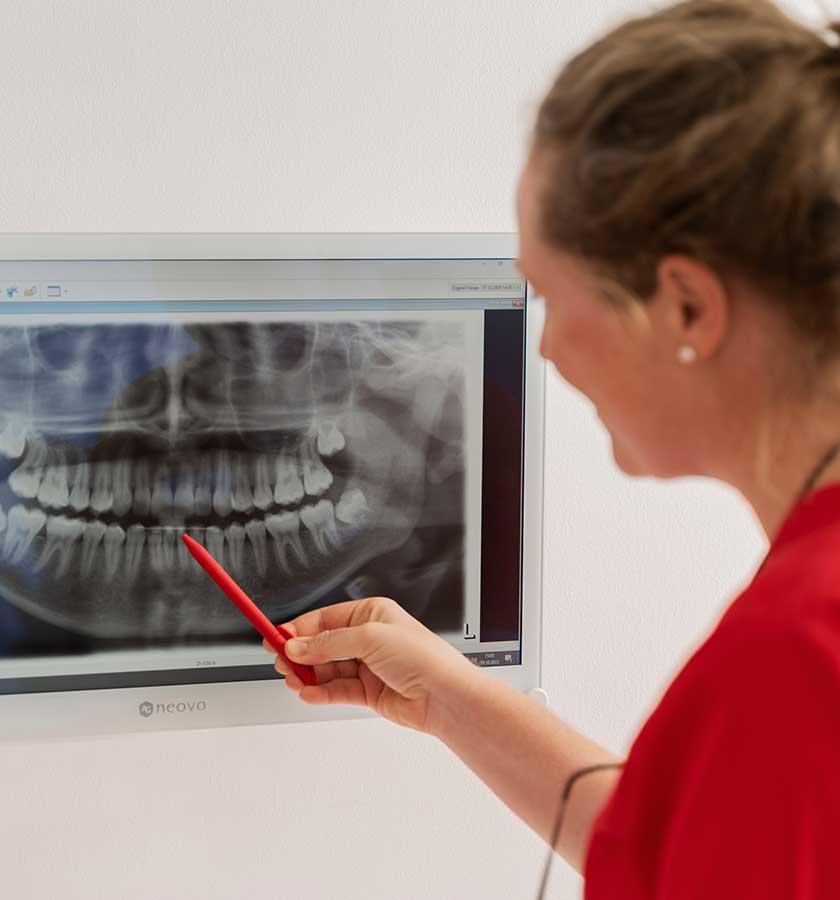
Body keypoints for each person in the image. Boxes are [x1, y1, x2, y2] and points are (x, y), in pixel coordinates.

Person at [263, 1, 840, 896]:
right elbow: (697, 849)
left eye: (552, 299)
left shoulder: (795, 659)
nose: (544, 350)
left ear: (687, 308)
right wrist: (453, 698)